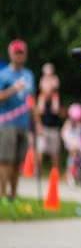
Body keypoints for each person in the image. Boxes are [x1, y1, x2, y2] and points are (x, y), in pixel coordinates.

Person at [0, 40, 35, 201]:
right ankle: (1, 194)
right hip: (7, 124)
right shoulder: (4, 74)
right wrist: (14, 89)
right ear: (11, 54)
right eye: (16, 52)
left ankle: (12, 196)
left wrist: (37, 124)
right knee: (5, 160)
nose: (19, 55)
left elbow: (31, 100)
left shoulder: (29, 75)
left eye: (21, 52)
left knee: (17, 162)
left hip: (23, 123)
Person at [34, 62, 63, 178]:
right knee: (40, 150)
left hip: (54, 127)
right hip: (44, 127)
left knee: (55, 152)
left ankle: (55, 173)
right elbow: (37, 113)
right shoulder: (41, 98)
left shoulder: (57, 98)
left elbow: (60, 112)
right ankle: (38, 172)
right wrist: (39, 125)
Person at [61, 103, 81, 186]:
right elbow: (64, 134)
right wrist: (69, 143)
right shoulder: (68, 124)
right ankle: (70, 175)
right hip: (71, 144)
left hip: (79, 144)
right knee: (72, 158)